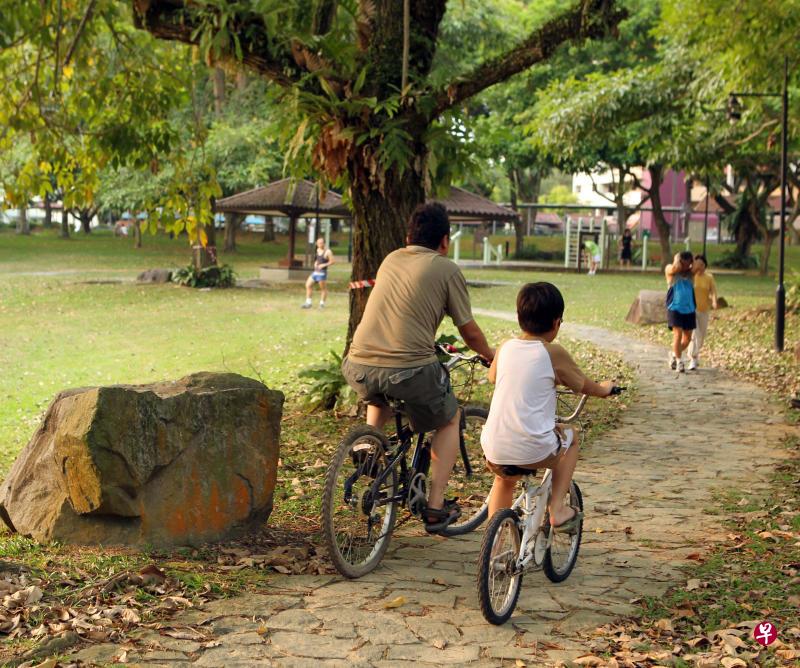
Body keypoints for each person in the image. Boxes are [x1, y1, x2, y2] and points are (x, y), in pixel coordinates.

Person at [342, 203, 495, 533]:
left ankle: (370, 444)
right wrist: (491, 355)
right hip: (409, 369)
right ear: (445, 240)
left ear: (408, 236)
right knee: (450, 417)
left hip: (358, 365)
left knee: (379, 393)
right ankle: (436, 507)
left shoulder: (391, 259)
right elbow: (468, 330)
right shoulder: (446, 269)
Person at [480, 282, 616, 530]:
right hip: (534, 447)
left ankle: (495, 542)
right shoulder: (553, 353)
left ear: (519, 318)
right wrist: (604, 389)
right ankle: (558, 509)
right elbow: (583, 385)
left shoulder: (505, 347)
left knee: (503, 480)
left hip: (494, 445)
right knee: (571, 436)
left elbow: (492, 377)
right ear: (556, 323)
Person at [665, 251, 697, 373]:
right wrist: (677, 259)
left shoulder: (691, 274)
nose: (685, 267)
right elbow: (673, 268)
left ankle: (674, 354)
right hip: (674, 308)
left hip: (689, 309)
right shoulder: (671, 272)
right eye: (682, 264)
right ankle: (679, 362)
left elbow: (698, 265)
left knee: (687, 339)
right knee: (677, 335)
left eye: (688, 264)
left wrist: (692, 261)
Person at [687, 254, 717, 370]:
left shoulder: (709, 277)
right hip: (691, 309)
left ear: (705, 266)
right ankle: (693, 358)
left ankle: (694, 354)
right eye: (697, 264)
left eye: (702, 264)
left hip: (704, 310)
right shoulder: (690, 276)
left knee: (701, 336)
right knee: (695, 333)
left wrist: (714, 302)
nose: (700, 266)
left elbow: (713, 291)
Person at [301, 238, 334, 309]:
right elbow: (318, 259)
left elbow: (332, 261)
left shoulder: (328, 252)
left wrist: (324, 265)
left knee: (323, 288)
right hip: (316, 271)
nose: (320, 245)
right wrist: (316, 263)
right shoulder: (317, 250)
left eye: (321, 243)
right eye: (318, 243)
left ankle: (322, 304)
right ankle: (308, 302)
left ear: (324, 243)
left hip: (322, 273)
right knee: (308, 285)